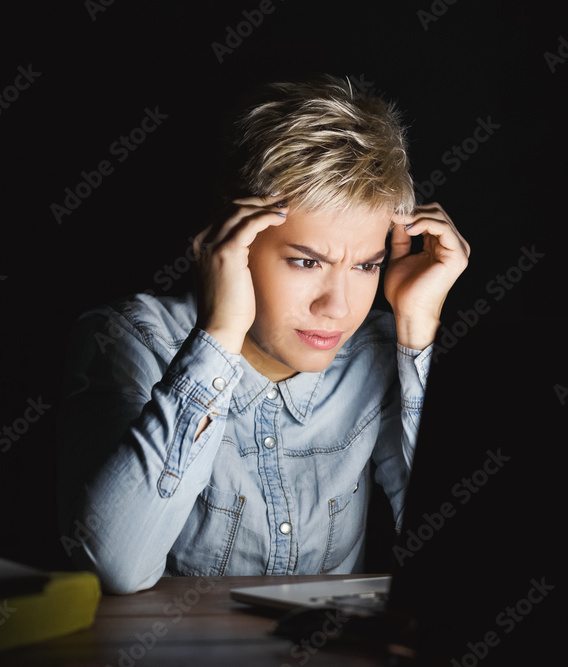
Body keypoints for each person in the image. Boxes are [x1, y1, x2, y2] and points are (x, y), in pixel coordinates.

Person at [56, 75, 470, 594]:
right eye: (306, 261)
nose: (338, 307)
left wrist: (418, 325)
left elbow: (462, 553)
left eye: (366, 266)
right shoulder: (130, 338)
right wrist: (219, 335)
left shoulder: (377, 351)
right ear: (235, 238)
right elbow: (112, 566)